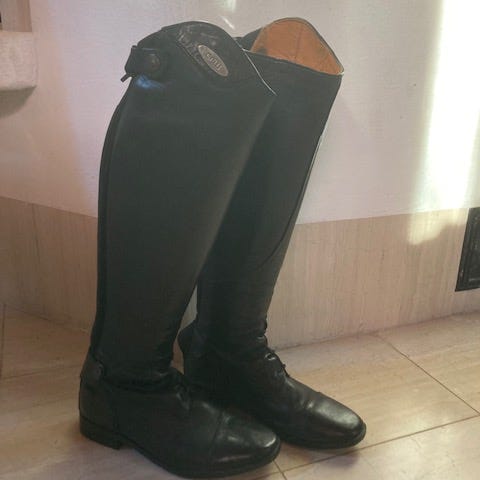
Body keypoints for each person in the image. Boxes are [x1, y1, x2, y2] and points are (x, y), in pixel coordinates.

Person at [79, 18, 365, 479]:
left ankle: (230, 351)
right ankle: (126, 383)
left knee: (294, 82)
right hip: (125, 383)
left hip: (229, 353)